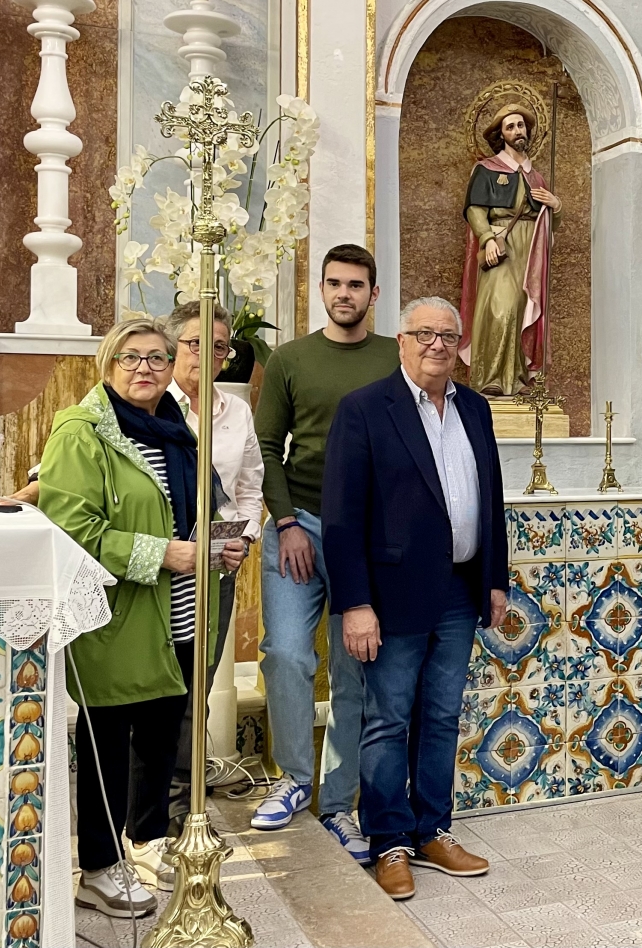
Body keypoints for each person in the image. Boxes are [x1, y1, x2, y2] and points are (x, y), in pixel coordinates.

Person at [38, 319, 244, 918]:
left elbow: (194, 511)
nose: (144, 369)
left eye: (156, 358)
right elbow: (72, 529)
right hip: (120, 616)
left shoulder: (177, 429)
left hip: (180, 613)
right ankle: (99, 867)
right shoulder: (83, 433)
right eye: (130, 358)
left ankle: (146, 843)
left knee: (161, 737)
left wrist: (219, 542)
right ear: (108, 364)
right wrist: (163, 554)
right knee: (108, 743)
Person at [322, 297, 507, 901]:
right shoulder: (364, 409)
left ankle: (433, 830)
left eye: (448, 335)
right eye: (424, 334)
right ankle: (388, 841)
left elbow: (491, 496)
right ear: (400, 341)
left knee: (443, 715)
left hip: (459, 588)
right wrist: (355, 603)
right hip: (391, 594)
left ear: (460, 345)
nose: (436, 345)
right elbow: (342, 517)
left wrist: (495, 579)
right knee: (388, 719)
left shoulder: (474, 407)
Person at [251, 244, 402, 860]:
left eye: (356, 284)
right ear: (321, 290)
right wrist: (286, 521)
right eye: (334, 283)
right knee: (286, 652)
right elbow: (266, 448)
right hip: (301, 526)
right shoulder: (290, 359)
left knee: (353, 668)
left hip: (368, 536)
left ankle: (339, 806)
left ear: (373, 293)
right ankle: (292, 777)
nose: (344, 293)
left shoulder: (396, 356)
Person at [123, 301, 263, 885]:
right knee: (148, 695)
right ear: (172, 347)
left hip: (213, 571)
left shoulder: (236, 411)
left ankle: (182, 814)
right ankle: (140, 822)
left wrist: (242, 539)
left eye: (221, 346)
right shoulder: (146, 405)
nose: (209, 355)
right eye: (196, 343)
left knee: (193, 689)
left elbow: (249, 485)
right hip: (153, 570)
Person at [459, 103, 561, 395]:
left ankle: (517, 377)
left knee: (523, 309)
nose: (518, 131)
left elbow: (548, 223)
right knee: (500, 308)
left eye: (521, 125)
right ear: (501, 135)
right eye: (511, 127)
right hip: (502, 244)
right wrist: (487, 238)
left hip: (531, 250)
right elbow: (475, 209)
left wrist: (556, 206)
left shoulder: (535, 177)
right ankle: (490, 377)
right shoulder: (487, 170)